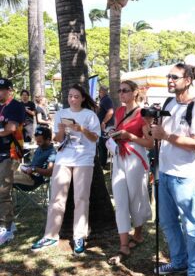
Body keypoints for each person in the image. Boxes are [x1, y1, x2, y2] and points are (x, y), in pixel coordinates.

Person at [150, 62, 195, 276]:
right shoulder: (168, 102)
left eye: (175, 77)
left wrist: (165, 136)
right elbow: (161, 135)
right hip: (164, 172)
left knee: (191, 226)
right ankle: (179, 261)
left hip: (184, 176)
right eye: (168, 77)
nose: (170, 81)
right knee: (167, 222)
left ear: (188, 80)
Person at [31, 84, 100, 255]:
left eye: (76, 96)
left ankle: (79, 236)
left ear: (83, 98)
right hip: (63, 159)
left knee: (81, 199)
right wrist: (61, 130)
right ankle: (50, 235)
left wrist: (81, 129)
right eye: (70, 96)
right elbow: (57, 139)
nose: (72, 99)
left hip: (84, 160)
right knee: (56, 198)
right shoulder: (61, 114)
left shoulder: (89, 115)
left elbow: (95, 138)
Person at [107, 80, 153, 265]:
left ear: (135, 92)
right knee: (120, 199)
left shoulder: (143, 113)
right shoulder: (118, 112)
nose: (121, 94)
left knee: (137, 197)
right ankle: (124, 244)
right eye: (119, 91)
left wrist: (130, 136)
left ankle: (138, 235)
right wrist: (113, 132)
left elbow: (149, 143)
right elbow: (118, 131)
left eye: (125, 91)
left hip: (135, 157)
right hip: (119, 156)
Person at [0, 78, 25, 246]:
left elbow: (11, 129)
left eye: (2, 89)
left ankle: (5, 228)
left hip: (10, 153)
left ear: (10, 90)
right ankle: (9, 224)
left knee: (2, 190)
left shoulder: (15, 106)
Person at [97, 86, 114, 168]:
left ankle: (103, 163)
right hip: (103, 126)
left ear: (102, 91)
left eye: (100, 91)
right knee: (101, 144)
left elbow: (110, 111)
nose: (99, 93)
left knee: (104, 144)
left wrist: (104, 122)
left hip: (106, 126)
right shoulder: (103, 100)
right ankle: (102, 163)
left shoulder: (106, 99)